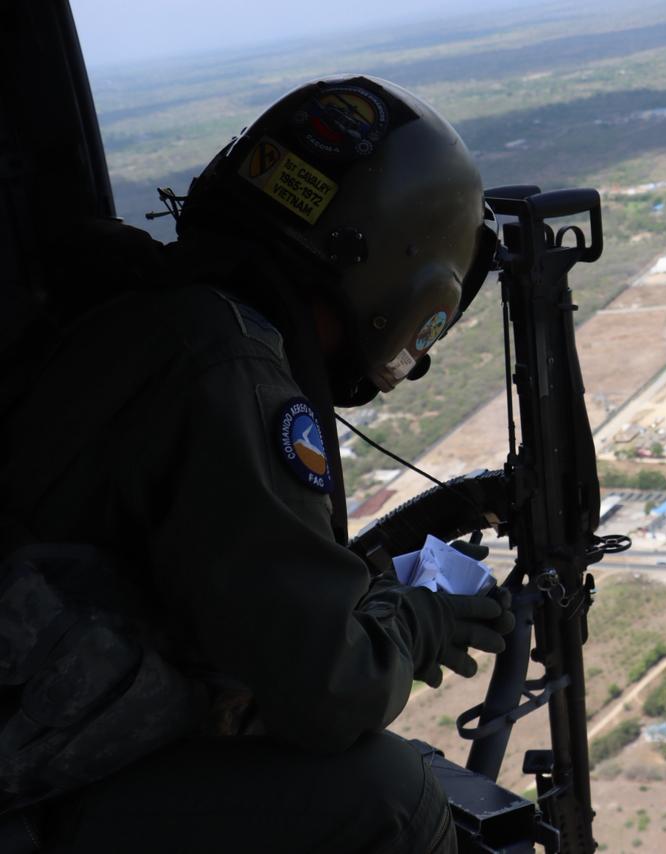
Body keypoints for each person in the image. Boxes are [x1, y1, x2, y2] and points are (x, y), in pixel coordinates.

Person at [0, 75, 511, 853]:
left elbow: (205, 583)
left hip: (43, 737)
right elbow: (329, 694)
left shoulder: (130, 307)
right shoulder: (228, 370)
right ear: (404, 290)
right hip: (37, 799)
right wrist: (418, 620)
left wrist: (363, 587)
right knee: (388, 794)